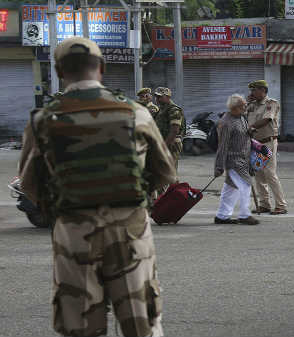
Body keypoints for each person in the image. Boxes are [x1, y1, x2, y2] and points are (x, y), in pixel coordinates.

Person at [18, 37, 176, 337]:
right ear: (101, 67)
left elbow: (28, 183)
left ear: (60, 70)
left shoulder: (43, 119)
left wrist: (61, 209)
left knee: (80, 326)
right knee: (141, 324)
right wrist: (136, 199)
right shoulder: (135, 112)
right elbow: (165, 171)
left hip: (73, 234)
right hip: (131, 231)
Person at [214, 94, 260, 226]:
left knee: (231, 188)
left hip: (244, 158)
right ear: (235, 107)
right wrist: (219, 166)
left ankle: (222, 216)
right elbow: (222, 146)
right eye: (243, 106)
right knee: (246, 185)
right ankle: (245, 215)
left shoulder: (241, 117)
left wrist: (250, 131)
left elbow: (244, 131)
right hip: (233, 160)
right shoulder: (226, 123)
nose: (246, 107)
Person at [246, 80, 288, 215]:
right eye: (251, 90)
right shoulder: (252, 105)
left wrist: (251, 128)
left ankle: (281, 205)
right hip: (255, 143)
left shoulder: (271, 103)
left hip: (267, 142)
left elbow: (267, 120)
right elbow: (242, 115)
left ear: (263, 90)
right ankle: (265, 204)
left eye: (254, 90)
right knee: (258, 174)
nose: (252, 93)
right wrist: (246, 103)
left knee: (270, 173)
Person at [154, 87, 186, 170]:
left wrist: (164, 146)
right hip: (164, 142)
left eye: (160, 97)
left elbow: (174, 130)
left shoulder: (174, 110)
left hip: (171, 143)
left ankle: (174, 183)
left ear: (168, 97)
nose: (157, 99)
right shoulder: (161, 109)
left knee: (170, 171)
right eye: (156, 96)